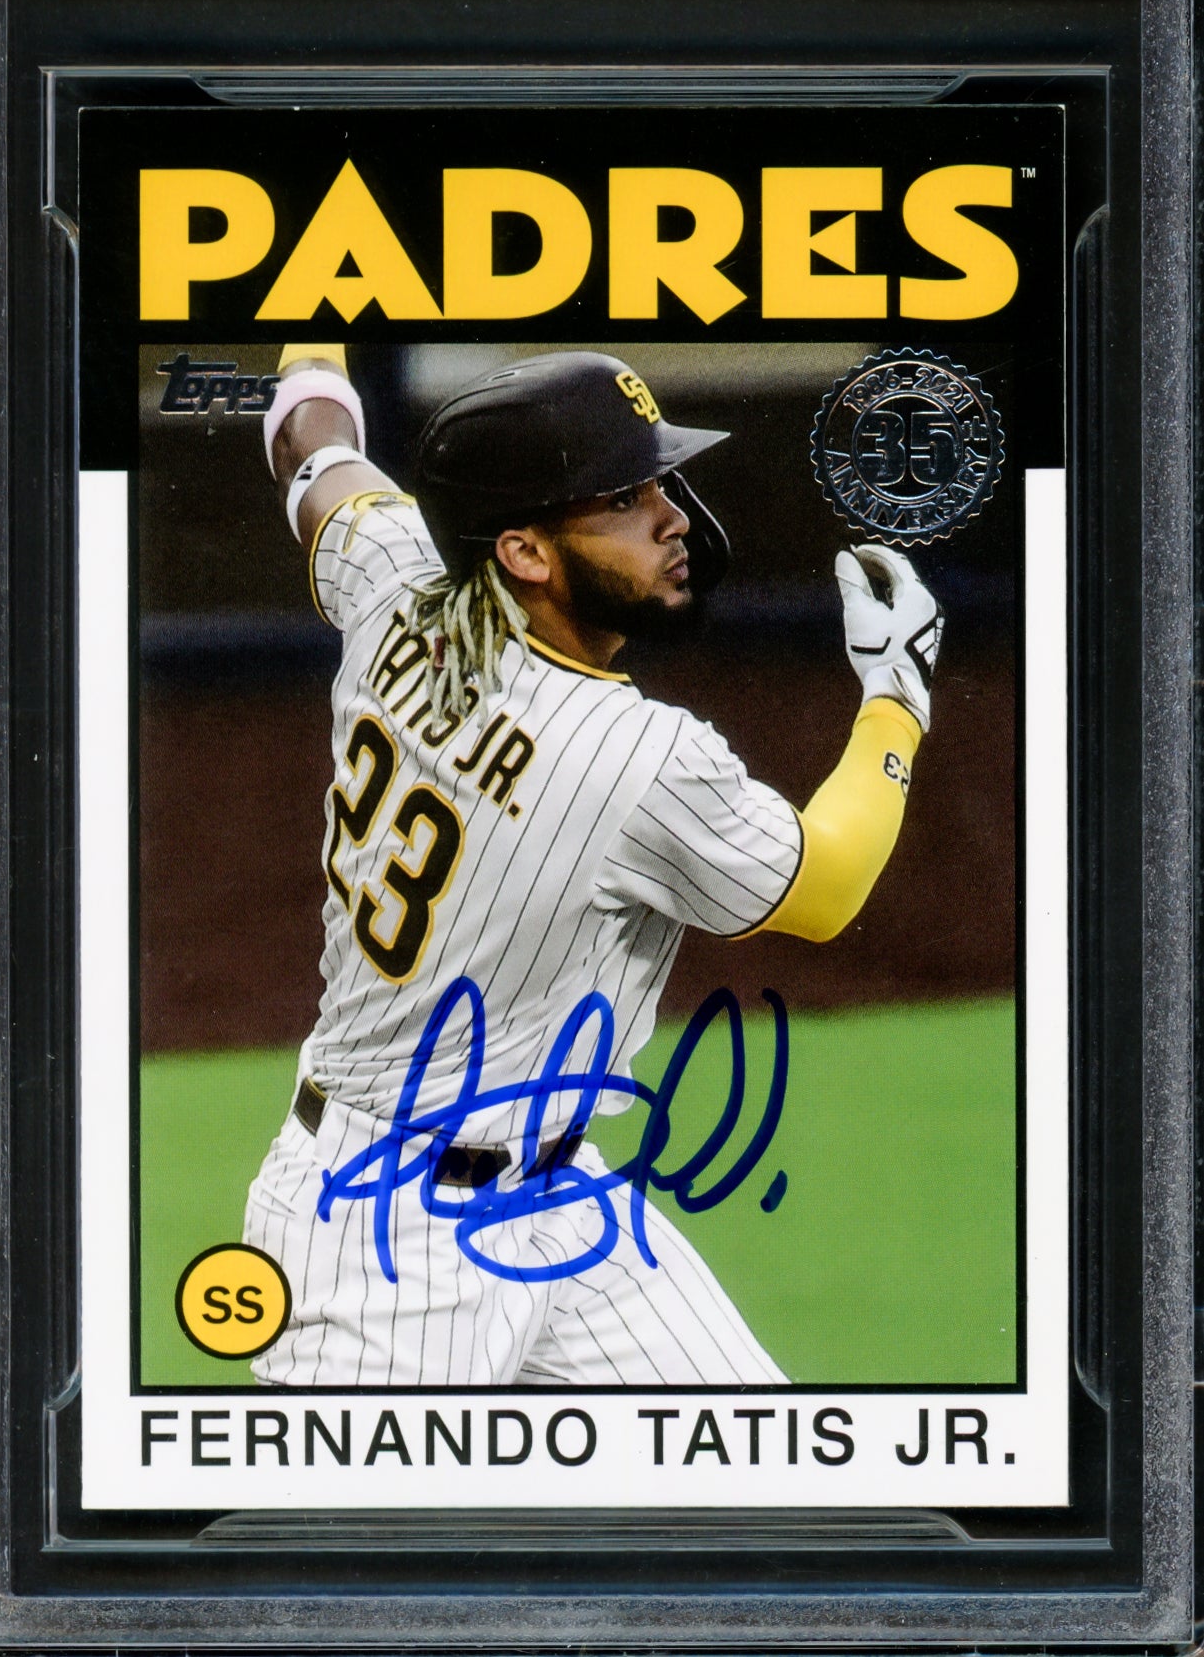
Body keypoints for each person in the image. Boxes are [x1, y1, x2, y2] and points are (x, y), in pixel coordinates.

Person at [244, 344, 942, 1387]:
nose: (671, 517)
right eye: (622, 498)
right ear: (525, 551)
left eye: (659, 484)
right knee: (370, 1505)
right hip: (377, 1249)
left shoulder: (392, 574)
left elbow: (315, 449)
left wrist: (308, 337)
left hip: (563, 1199)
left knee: (785, 1470)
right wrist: (896, 698)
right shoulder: (633, 754)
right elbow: (827, 886)